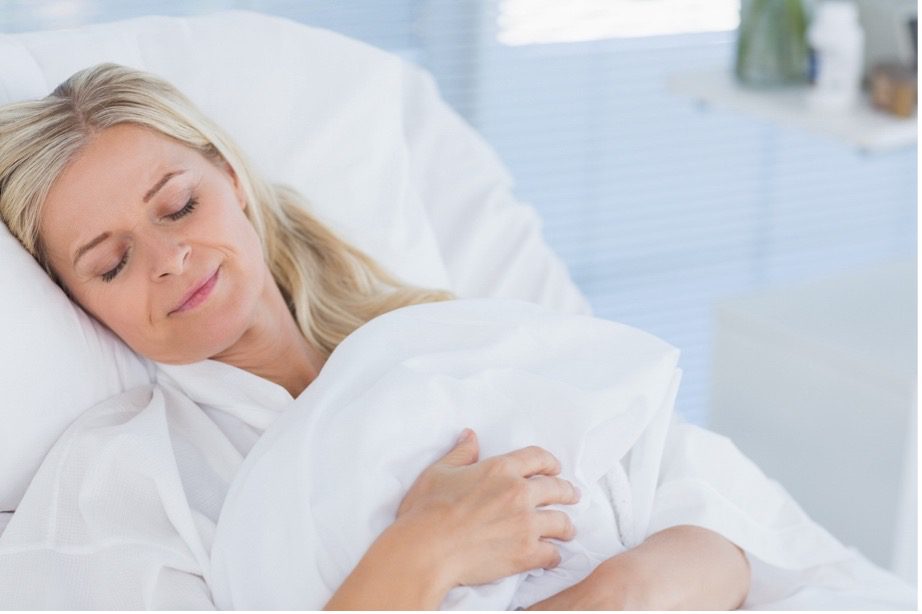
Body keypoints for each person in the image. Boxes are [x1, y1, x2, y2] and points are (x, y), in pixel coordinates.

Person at [0, 63, 753, 610]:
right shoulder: (118, 485)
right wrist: (426, 550)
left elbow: (725, 549)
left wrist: (617, 592)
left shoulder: (453, 338)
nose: (169, 261)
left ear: (231, 179)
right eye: (113, 263)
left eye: (178, 206)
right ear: (79, 305)